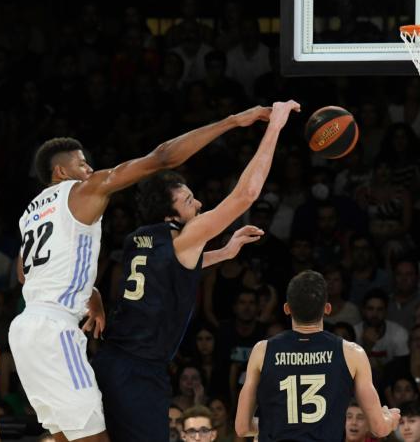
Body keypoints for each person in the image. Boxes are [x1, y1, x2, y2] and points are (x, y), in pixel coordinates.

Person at [8, 104, 273, 441]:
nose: (89, 169)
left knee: (68, 437)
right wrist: (234, 120)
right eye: (81, 164)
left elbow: (25, 273)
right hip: (56, 332)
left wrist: (91, 293)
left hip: (25, 332)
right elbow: (163, 157)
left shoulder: (31, 215)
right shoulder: (83, 190)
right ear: (61, 172)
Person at [91, 100, 301, 442]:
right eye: (189, 201)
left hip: (114, 360)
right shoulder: (182, 237)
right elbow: (245, 196)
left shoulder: (138, 239)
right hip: (139, 370)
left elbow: (170, 271)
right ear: (171, 215)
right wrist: (274, 127)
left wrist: (223, 252)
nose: (199, 204)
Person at [235, 270, 400, 441]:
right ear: (327, 308)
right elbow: (379, 428)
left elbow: (242, 428)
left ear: (287, 308)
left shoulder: (262, 350)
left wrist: (275, 425)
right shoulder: (352, 353)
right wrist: (391, 418)